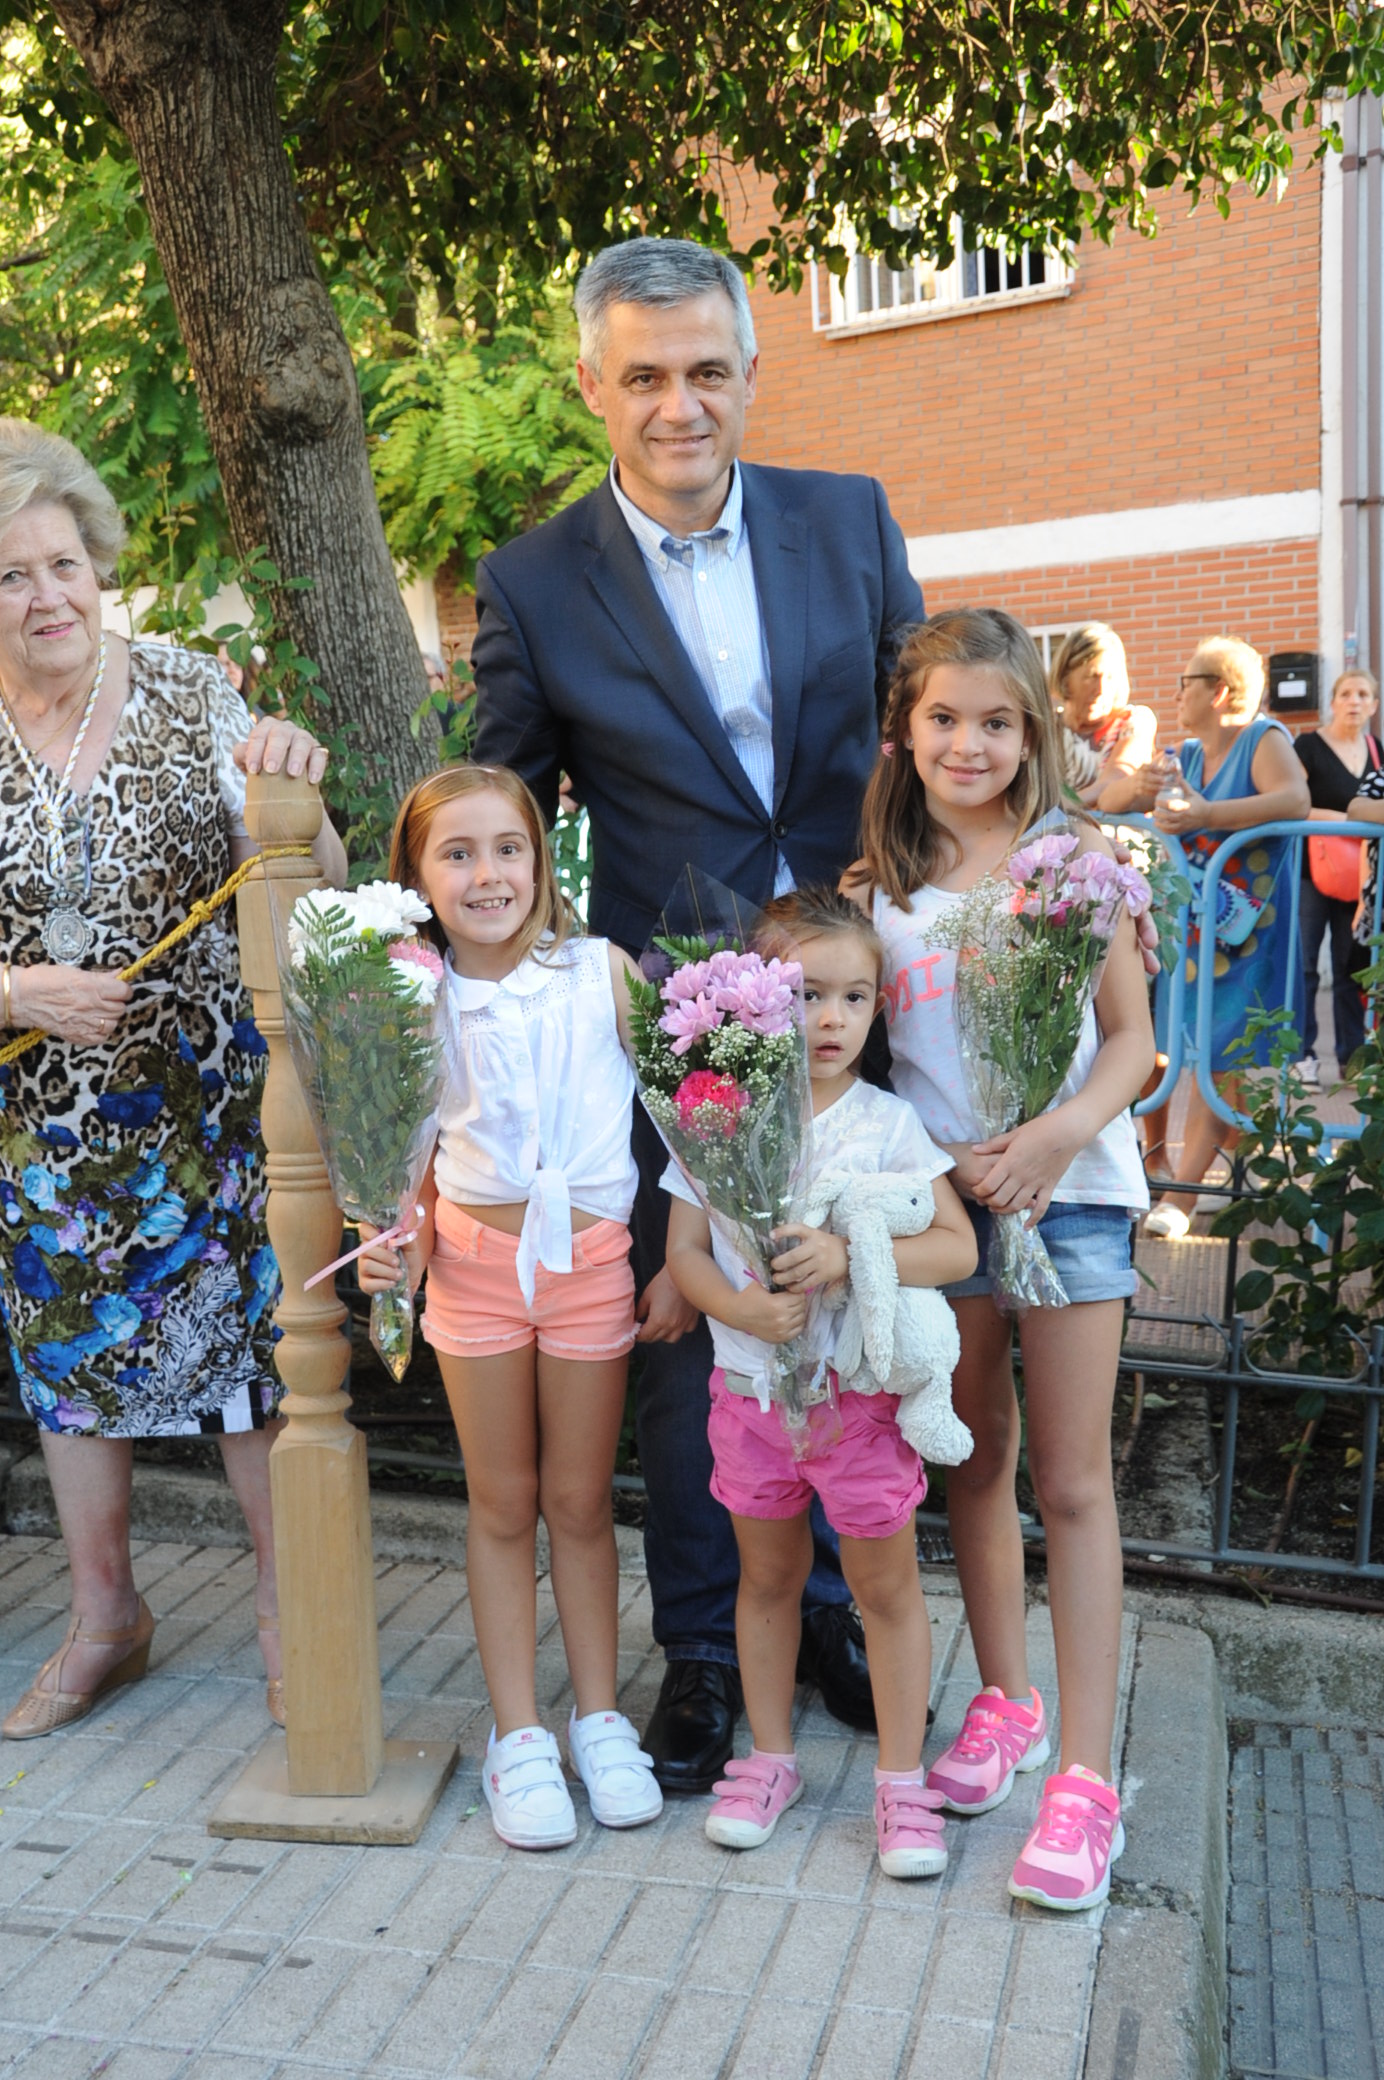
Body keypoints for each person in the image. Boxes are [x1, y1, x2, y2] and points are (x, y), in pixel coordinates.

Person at [471, 236, 926, 1791]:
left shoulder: (849, 520)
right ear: (594, 385)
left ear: (751, 370)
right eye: (646, 375)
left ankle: (845, 1621)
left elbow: (916, 742)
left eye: (708, 369)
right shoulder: (534, 582)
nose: (681, 404)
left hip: (858, 999)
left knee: (856, 1274)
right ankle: (709, 1657)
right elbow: (506, 820)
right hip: (679, 1017)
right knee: (693, 1333)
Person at [0, 417, 346, 1740]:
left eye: (65, 564)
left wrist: (297, 794)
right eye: (13, 575)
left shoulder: (187, 688)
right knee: (68, 1370)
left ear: (99, 566)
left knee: (253, 1367)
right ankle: (105, 1622)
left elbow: (301, 873)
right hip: (47, 1130)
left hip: (217, 1109)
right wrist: (20, 991)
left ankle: (285, 1621)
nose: (49, 596)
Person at [845, 607, 1155, 1911]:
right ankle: (1008, 1704)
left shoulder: (1077, 862)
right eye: (943, 720)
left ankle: (1086, 1786)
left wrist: (1057, 1134)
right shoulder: (879, 891)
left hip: (1071, 1202)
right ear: (902, 734)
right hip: (950, 1217)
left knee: (1073, 1483)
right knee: (971, 1462)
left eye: (995, 720)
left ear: (1032, 732)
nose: (968, 743)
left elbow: (1135, 1045)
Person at [358, 763, 663, 1849]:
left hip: (591, 1267)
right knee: (502, 1501)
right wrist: (394, 1239)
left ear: (543, 857)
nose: (487, 874)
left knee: (580, 1503)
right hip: (480, 1273)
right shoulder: (408, 993)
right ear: (418, 875)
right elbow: (408, 1147)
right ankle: (518, 1734)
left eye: (508, 848)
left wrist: (691, 1257)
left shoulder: (603, 973)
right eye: (457, 853)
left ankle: (597, 1717)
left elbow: (688, 1123)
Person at [664, 887, 976, 1877]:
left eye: (852, 996)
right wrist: (741, 1309)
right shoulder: (714, 1115)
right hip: (750, 1398)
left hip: (859, 1406)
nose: (829, 1019)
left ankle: (898, 1780)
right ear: (754, 1000)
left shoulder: (889, 1127)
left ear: (881, 1004)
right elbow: (684, 1254)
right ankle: (769, 1757)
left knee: (883, 1588)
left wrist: (847, 1255)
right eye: (805, 996)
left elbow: (955, 1243)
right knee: (766, 1577)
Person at [1120, 637, 1310, 1240]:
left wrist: (1204, 817)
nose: (1177, 692)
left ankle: (1182, 1196)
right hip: (1201, 934)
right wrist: (1141, 789)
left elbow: (1295, 799)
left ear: (1220, 690)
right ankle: (1294, 1156)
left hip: (1252, 938)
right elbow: (1121, 799)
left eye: (1186, 680)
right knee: (1208, 1055)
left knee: (1222, 1055)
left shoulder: (1264, 737)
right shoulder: (1191, 754)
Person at [1293, 668, 1381, 1086]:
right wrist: (1351, 818)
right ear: (1332, 701)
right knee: (1307, 964)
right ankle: (1302, 1055)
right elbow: (1295, 804)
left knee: (1351, 967)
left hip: (1358, 877)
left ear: (1374, 705)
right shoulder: (1307, 746)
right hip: (1312, 870)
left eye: (1364, 694)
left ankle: (1352, 1058)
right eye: (1346, 693)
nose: (1355, 700)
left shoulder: (1377, 751)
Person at [1050, 624, 1156, 814]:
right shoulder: (1045, 727)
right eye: (1092, 676)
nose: (1101, 690)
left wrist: (1051, 813)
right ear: (1065, 677)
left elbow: (1113, 780)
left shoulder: (1134, 722)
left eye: (1110, 678)